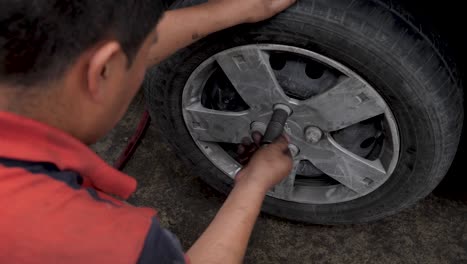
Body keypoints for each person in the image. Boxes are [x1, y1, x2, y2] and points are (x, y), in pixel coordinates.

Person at [0, 0, 295, 263]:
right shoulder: (78, 238)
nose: (144, 65)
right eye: (140, 64)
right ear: (101, 71)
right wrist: (253, 183)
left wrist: (239, 8)